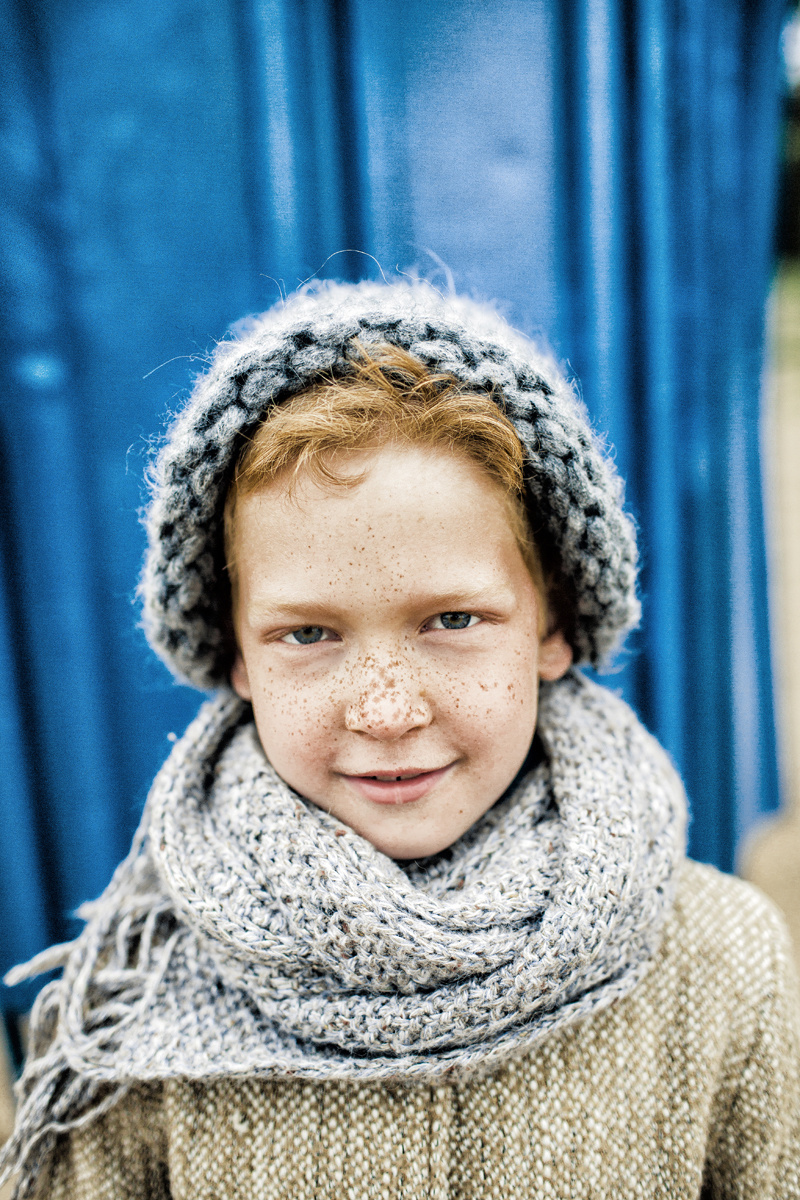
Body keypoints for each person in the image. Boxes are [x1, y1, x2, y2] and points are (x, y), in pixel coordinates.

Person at [1, 280, 798, 1199]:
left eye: (452, 619)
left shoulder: (722, 965)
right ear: (237, 656)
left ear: (553, 626)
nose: (385, 712)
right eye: (309, 634)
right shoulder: (132, 1002)